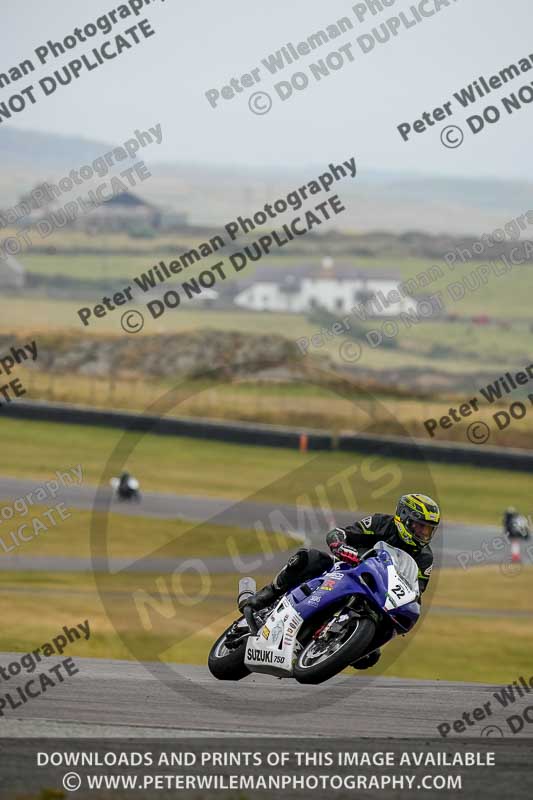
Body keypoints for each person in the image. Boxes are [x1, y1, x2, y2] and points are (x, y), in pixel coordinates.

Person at [240, 493, 441, 669]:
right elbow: (341, 533)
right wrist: (339, 545)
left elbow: (416, 589)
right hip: (348, 568)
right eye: (420, 527)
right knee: (309, 558)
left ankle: (340, 641)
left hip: (379, 592)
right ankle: (266, 596)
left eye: (428, 530)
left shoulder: (424, 557)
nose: (424, 534)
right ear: (404, 519)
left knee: (374, 651)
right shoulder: (381, 523)